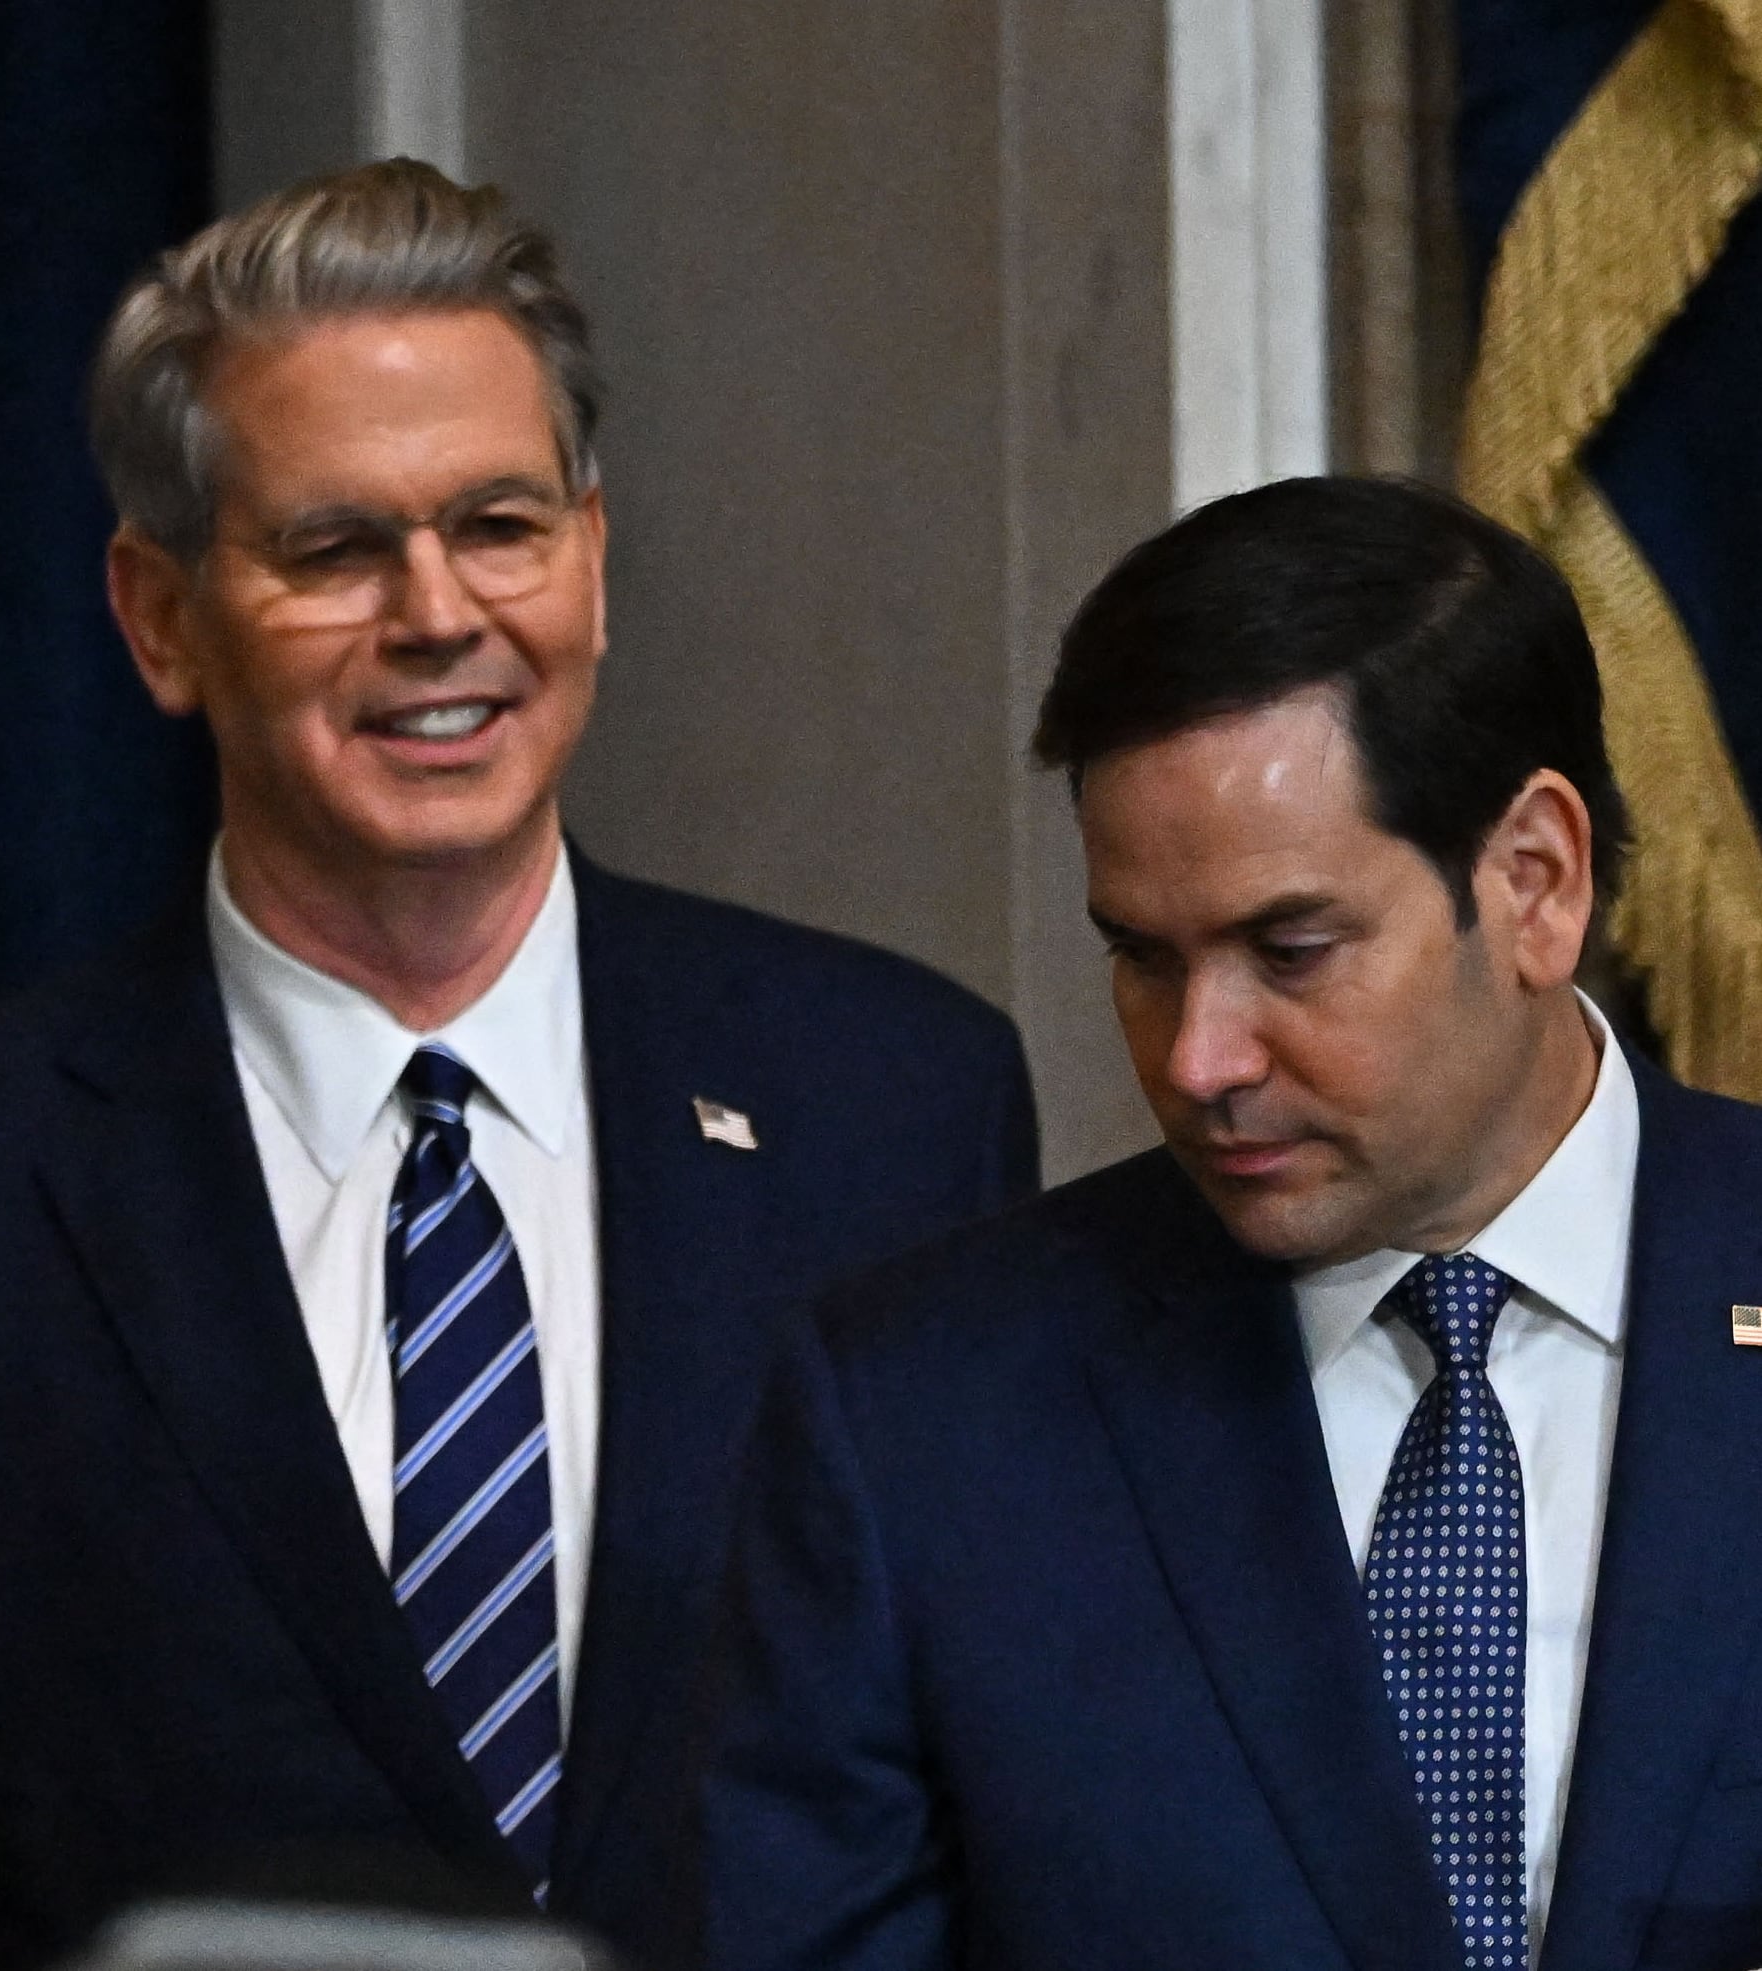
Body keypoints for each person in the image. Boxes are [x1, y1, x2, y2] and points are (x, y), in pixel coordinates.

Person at [0, 160, 1038, 1971]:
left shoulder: (899, 1112)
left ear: (596, 562)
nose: (438, 617)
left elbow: (1007, 1832)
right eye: (335, 550)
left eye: (500, 524)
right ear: (160, 618)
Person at [707, 474, 1762, 1971]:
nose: (1200, 1060)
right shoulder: (919, 1423)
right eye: (1143, 958)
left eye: (1292, 949)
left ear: (1535, 882)